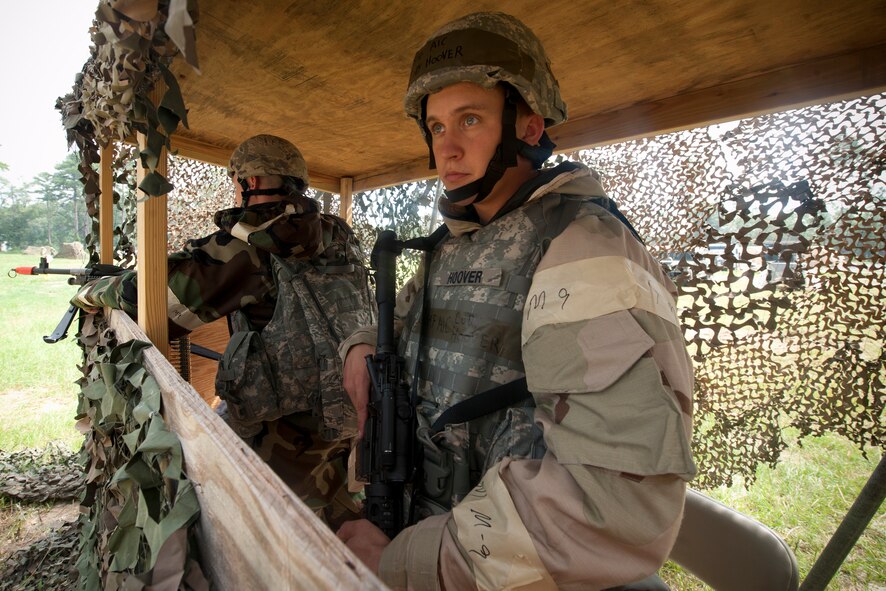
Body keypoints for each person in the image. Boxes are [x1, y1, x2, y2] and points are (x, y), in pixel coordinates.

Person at [335, 12, 696, 589]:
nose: (447, 148)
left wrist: (404, 563)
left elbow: (611, 509)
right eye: (435, 127)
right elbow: (395, 324)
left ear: (528, 126)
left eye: (469, 119)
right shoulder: (452, 246)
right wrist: (359, 347)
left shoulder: (583, 247)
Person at [72, 134, 371, 528]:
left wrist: (92, 291)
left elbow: (156, 298)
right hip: (344, 414)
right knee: (339, 517)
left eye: (236, 181)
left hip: (284, 435)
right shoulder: (338, 233)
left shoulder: (256, 244)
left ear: (250, 182)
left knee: (284, 532)